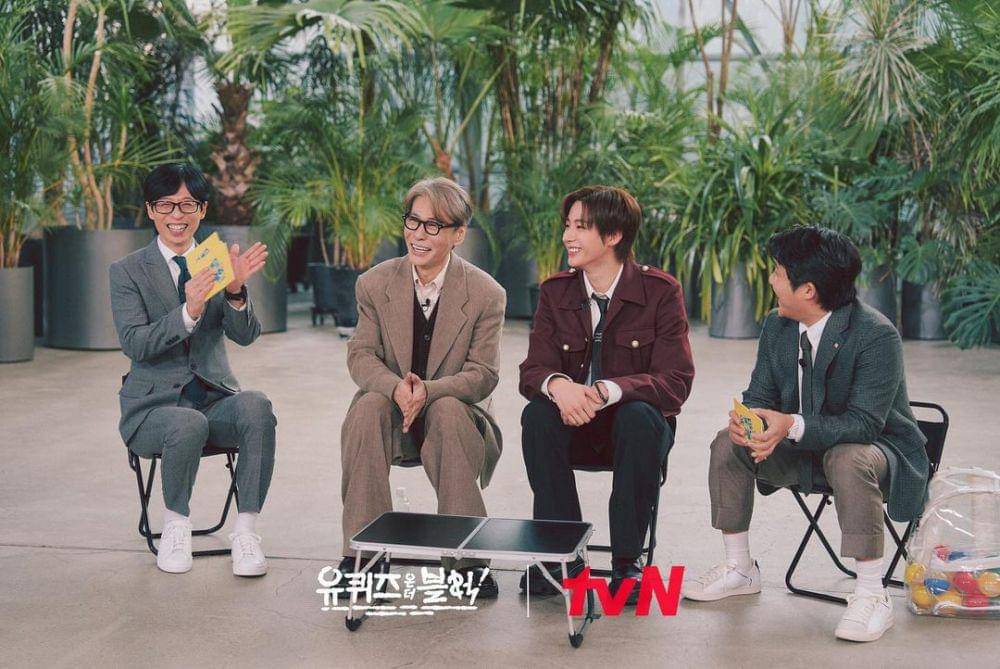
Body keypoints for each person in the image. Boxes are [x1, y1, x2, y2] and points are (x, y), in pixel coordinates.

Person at [683, 226, 928, 643]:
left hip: (877, 454)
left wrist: (790, 425)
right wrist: (750, 423)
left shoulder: (876, 335)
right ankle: (740, 568)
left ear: (809, 290)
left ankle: (872, 594)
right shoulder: (777, 326)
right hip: (804, 452)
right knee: (727, 442)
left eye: (778, 273)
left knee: (847, 456)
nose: (771, 280)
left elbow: (864, 425)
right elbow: (760, 395)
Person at [518, 185, 695, 604]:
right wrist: (559, 386)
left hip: (634, 435)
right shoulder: (556, 291)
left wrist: (607, 391)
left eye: (580, 227)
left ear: (613, 235)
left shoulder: (660, 291)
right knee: (538, 416)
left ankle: (628, 564)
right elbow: (533, 370)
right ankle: (561, 557)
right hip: (574, 427)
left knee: (639, 417)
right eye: (567, 225)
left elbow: (675, 380)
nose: (567, 236)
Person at [339, 177, 506, 597]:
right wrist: (397, 388)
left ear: (458, 235)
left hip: (454, 420)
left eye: (433, 226)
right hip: (390, 414)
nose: (418, 234)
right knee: (368, 407)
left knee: (447, 411)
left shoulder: (486, 294)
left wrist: (429, 392)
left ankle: (467, 561)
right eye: (412, 221)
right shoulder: (374, 284)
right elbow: (361, 356)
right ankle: (364, 557)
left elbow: (483, 373)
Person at [109, 163, 276, 576]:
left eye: (187, 205)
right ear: (150, 210)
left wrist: (235, 291)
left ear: (202, 210)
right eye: (166, 205)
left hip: (213, 402)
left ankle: (246, 533)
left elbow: (245, 336)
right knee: (186, 423)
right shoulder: (127, 271)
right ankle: (176, 527)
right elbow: (136, 343)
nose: (177, 215)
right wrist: (189, 311)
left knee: (256, 405)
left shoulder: (214, 261)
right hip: (152, 410)